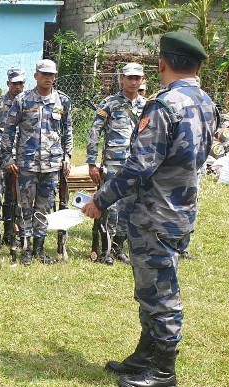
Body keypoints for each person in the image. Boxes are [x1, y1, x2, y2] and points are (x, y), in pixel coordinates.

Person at [82, 31, 216, 387]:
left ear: (161, 64)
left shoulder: (164, 106)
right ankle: (146, 355)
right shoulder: (206, 102)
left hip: (155, 215)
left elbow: (138, 167)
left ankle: (163, 372)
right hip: (181, 211)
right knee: (150, 288)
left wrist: (100, 200)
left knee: (161, 292)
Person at [2, 59, 73, 266]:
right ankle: (25, 248)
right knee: (25, 206)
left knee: (44, 206)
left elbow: (67, 131)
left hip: (51, 165)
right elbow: (9, 130)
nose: (48, 78)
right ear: (36, 76)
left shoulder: (63, 101)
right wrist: (8, 158)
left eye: (51, 75)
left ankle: (39, 248)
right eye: (44, 74)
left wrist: (67, 156)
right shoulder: (23, 100)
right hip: (27, 164)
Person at [86, 62, 147, 265]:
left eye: (137, 78)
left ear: (142, 81)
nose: (133, 82)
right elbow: (95, 132)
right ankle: (106, 250)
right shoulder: (110, 103)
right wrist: (92, 162)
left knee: (129, 207)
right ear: (121, 79)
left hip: (136, 165)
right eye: (129, 78)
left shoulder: (147, 106)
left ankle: (119, 247)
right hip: (113, 164)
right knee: (110, 206)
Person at [0, 68, 26, 251]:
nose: (18, 87)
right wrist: (1, 159)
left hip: (20, 160)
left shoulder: (28, 103)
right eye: (15, 83)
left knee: (15, 199)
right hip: (0, 158)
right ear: (8, 84)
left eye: (21, 83)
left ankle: (11, 233)